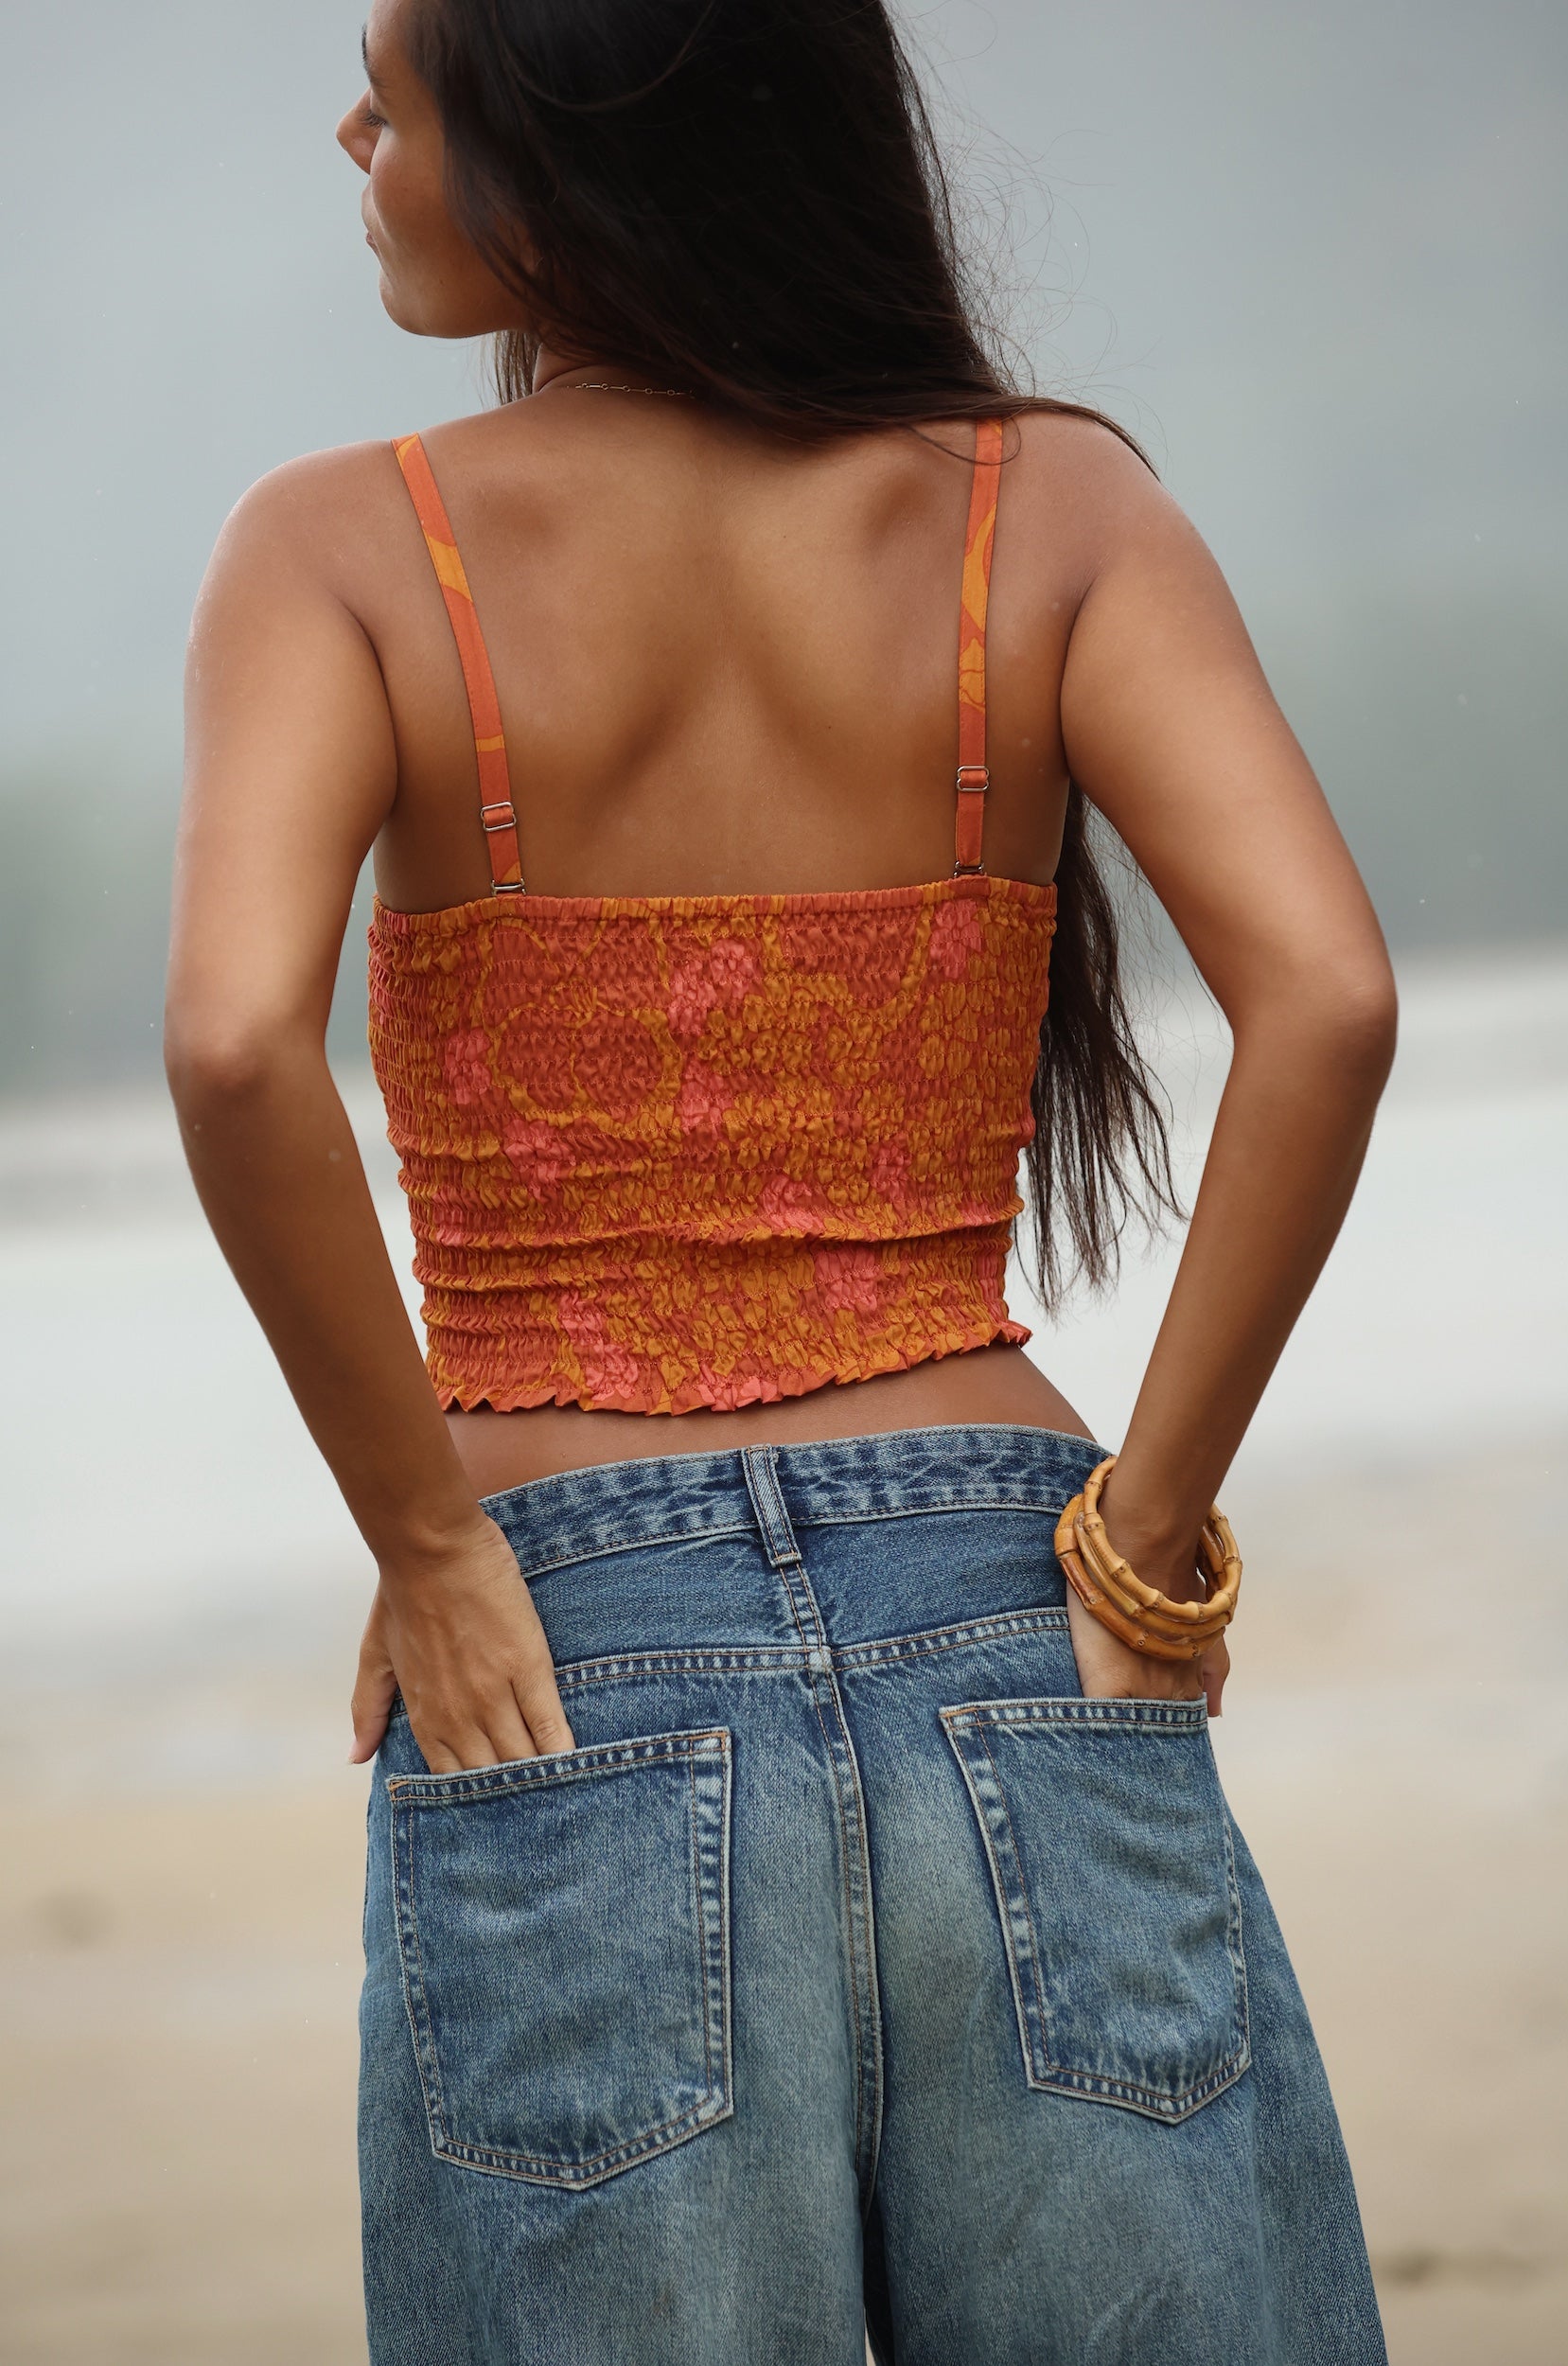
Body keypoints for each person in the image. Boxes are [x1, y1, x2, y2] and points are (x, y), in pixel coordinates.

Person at [165, 1, 1396, 2357]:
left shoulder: (337, 547)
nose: (352, 127)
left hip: (558, 1651)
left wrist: (429, 1532)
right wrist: (1156, 1523)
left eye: (399, 90)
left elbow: (235, 1042)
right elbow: (1326, 992)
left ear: (572, 145)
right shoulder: (1053, 512)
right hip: (1018, 1606)